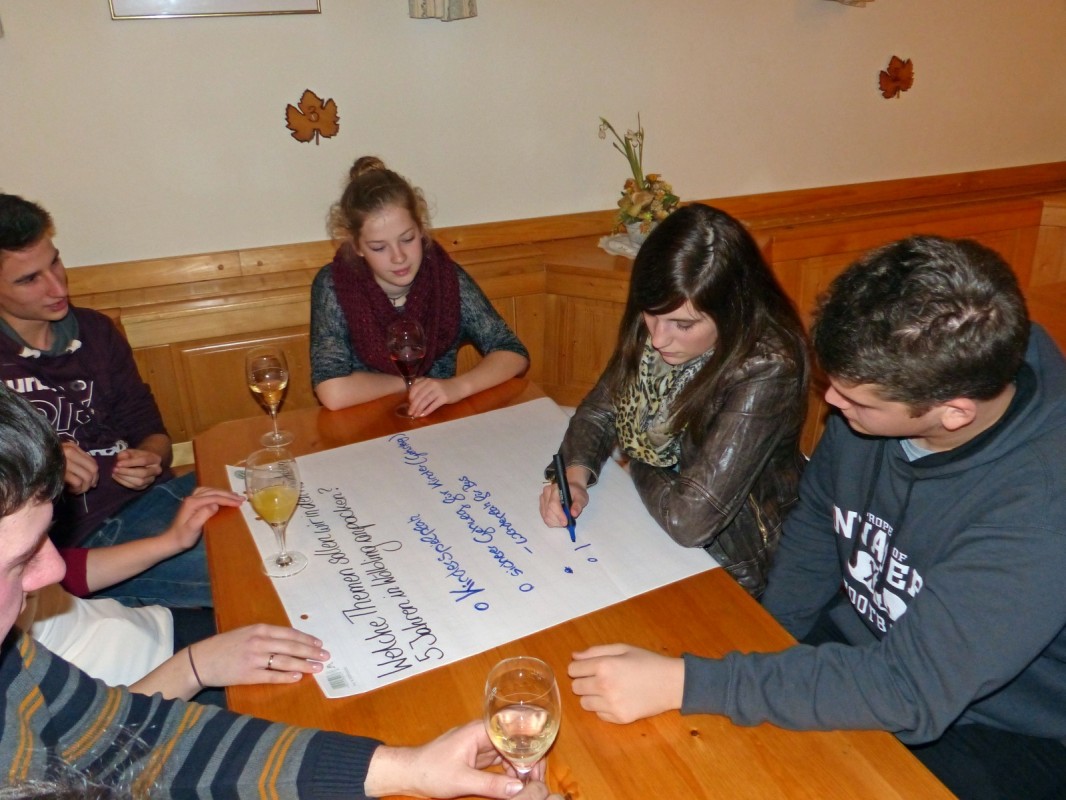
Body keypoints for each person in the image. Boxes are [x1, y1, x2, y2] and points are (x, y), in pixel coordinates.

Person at [566, 235, 1066, 800]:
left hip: (999, 727)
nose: (831, 405)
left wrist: (688, 683)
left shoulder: (1043, 509)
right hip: (864, 652)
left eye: (858, 401)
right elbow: (817, 525)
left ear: (954, 413)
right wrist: (770, 640)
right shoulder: (896, 390)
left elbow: (909, 691)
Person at [0, 384, 560, 799]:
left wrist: (404, 769)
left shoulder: (17, 661)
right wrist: (196, 667)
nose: (56, 569)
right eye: (21, 559)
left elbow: (118, 736)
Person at [540, 203, 808, 596]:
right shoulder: (662, 315)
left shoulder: (769, 367)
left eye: (683, 325)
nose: (659, 338)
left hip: (740, 563)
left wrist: (638, 459)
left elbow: (689, 521)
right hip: (659, 532)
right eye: (651, 315)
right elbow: (602, 409)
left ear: (732, 309)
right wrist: (574, 476)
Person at [0, 193, 203, 609]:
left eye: (55, 262)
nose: (58, 287)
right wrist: (44, 466)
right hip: (85, 542)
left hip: (158, 498)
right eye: (29, 279)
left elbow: (151, 431)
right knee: (258, 565)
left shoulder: (95, 331)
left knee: (280, 504)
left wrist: (150, 457)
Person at [311, 156, 529, 416]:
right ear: (357, 246)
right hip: (364, 427)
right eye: (379, 247)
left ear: (421, 229)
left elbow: (512, 352)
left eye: (407, 239)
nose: (398, 257)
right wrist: (410, 383)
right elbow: (332, 391)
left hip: (436, 422)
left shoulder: (446, 278)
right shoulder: (335, 285)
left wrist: (456, 387)